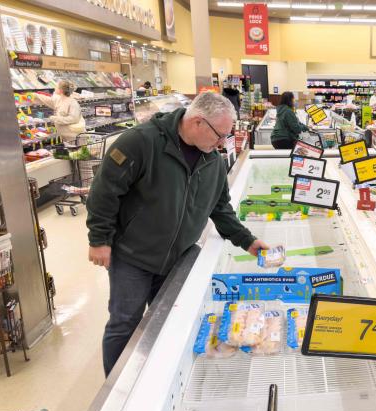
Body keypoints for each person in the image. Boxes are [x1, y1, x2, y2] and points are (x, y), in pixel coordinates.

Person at [86, 92, 269, 376]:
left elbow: (220, 208)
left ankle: (152, 377)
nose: (223, 142)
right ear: (197, 122)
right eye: (219, 135)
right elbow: (104, 191)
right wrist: (99, 239)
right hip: (134, 255)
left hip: (178, 256)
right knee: (125, 322)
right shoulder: (141, 142)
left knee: (166, 321)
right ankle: (116, 389)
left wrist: (247, 240)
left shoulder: (213, 160)